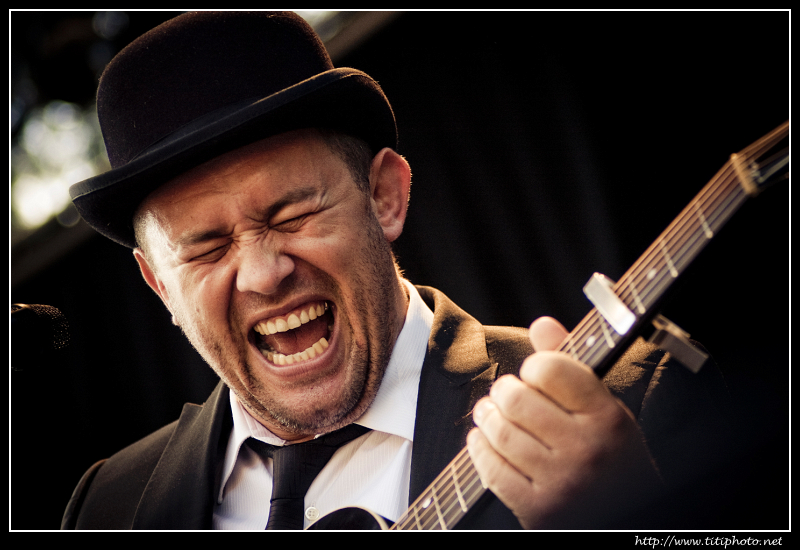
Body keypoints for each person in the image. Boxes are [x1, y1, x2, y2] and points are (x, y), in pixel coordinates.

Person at [61, 11, 734, 530]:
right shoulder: (106, 506)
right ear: (159, 285)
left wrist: (628, 513)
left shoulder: (630, 403)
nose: (264, 274)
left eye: (292, 214)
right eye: (207, 248)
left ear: (384, 196)